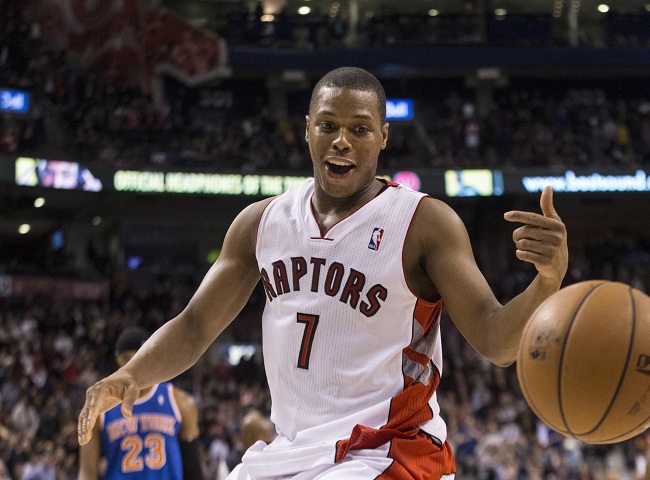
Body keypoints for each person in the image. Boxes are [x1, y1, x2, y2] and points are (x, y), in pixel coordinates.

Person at [78, 66, 568, 479]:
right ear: (308, 127)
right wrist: (131, 374)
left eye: (359, 129)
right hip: (292, 452)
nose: (342, 141)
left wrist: (545, 283)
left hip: (389, 451)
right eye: (328, 125)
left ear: (383, 136)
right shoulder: (262, 223)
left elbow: (496, 341)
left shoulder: (423, 223)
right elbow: (194, 326)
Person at [78, 327, 202, 480]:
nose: (133, 363)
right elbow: (87, 473)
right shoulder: (101, 405)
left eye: (139, 357)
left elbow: (193, 471)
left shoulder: (180, 401)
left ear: (151, 357)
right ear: (118, 359)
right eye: (126, 358)